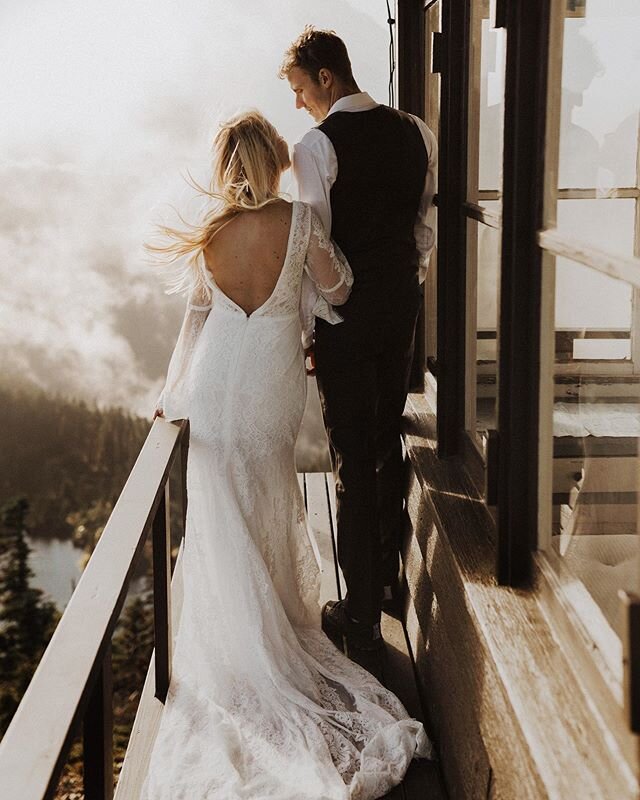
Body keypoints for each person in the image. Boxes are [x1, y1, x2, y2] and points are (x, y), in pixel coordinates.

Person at [141, 110, 431, 799]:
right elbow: (339, 290)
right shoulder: (300, 221)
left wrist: (173, 392)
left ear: (224, 164)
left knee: (220, 510)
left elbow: (197, 320)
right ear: (272, 161)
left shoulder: (208, 233)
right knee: (269, 492)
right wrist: (302, 295)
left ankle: (234, 645)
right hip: (271, 378)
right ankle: (274, 627)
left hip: (215, 386)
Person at [280, 27, 437, 654]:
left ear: (325, 77)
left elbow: (312, 248)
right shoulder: (416, 132)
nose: (297, 102)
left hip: (346, 319)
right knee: (384, 437)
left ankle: (364, 615)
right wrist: (408, 284)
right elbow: (422, 227)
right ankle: (388, 582)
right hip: (402, 310)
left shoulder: (315, 147)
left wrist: (315, 326)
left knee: (352, 458)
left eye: (298, 87)